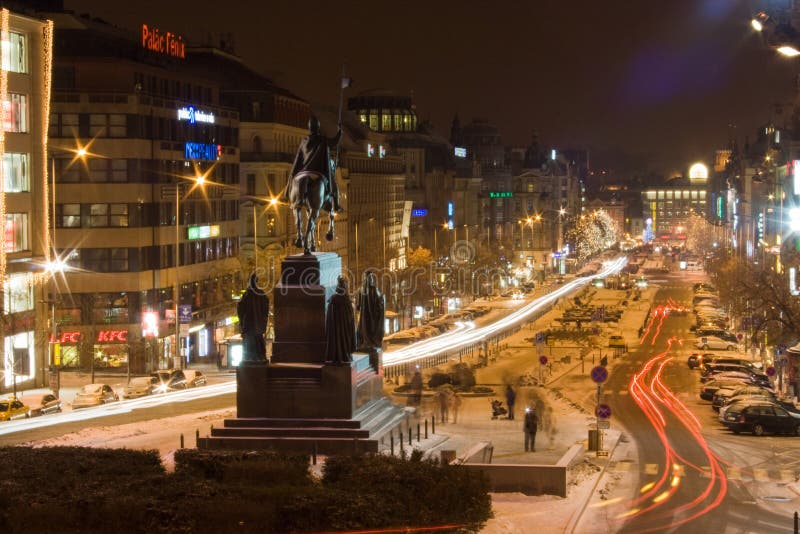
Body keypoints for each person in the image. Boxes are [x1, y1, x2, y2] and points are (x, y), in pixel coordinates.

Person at [280, 115, 343, 212]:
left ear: (309, 128)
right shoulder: (322, 139)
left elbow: (298, 158)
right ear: (318, 128)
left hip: (303, 170)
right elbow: (334, 142)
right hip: (318, 171)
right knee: (333, 185)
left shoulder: (304, 141)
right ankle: (336, 205)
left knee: (292, 178)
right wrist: (340, 131)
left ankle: (286, 194)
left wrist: (293, 173)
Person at [236, 272, 269, 362]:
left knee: (250, 344)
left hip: (250, 325)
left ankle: (252, 358)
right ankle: (259, 357)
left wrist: (242, 323)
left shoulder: (247, 294)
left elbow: (240, 309)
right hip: (257, 325)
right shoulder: (261, 294)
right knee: (257, 343)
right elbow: (265, 309)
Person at [324, 276, 356, 364]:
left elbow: (329, 317)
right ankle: (345, 355)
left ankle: (336, 355)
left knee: (337, 340)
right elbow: (350, 318)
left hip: (335, 328)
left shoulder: (333, 299)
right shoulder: (347, 300)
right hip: (344, 329)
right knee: (344, 341)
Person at [356, 271, 385, 351]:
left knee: (364, 330)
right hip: (372, 319)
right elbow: (379, 304)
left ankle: (365, 342)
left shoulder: (360, 290)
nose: (372, 279)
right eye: (371, 278)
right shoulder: (375, 290)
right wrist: (383, 299)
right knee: (372, 331)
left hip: (364, 320)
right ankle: (371, 343)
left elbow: (358, 306)